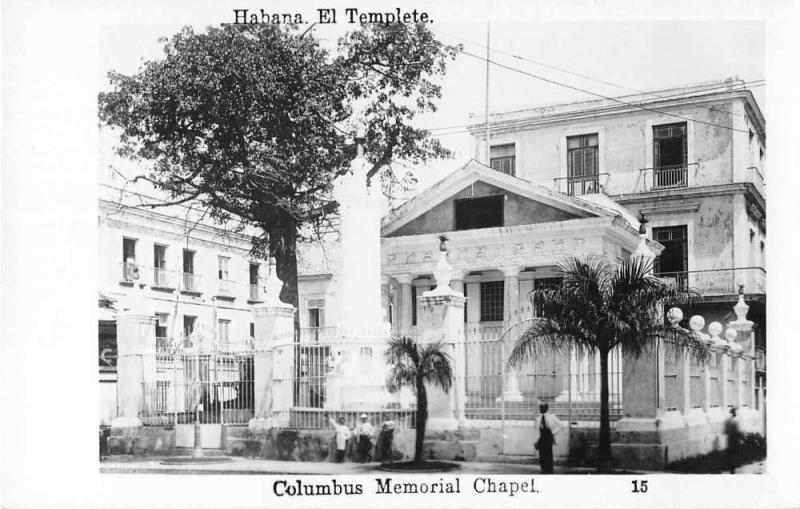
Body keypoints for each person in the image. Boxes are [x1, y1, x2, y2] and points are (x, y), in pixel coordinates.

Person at [535, 403, 564, 474]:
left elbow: (560, 425)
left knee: (548, 454)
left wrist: (553, 432)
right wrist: (537, 440)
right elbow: (537, 430)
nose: (541, 409)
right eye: (540, 408)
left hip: (549, 437)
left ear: (547, 409)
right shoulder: (538, 418)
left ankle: (549, 470)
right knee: (541, 454)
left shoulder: (551, 417)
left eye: (543, 408)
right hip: (542, 437)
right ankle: (543, 470)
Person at [725, 407, 742, 474]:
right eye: (735, 412)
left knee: (731, 453)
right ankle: (733, 468)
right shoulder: (735, 421)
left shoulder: (728, 421)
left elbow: (725, 431)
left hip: (730, 438)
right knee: (734, 453)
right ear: (734, 413)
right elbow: (737, 431)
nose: (736, 413)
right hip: (734, 439)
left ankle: (731, 468)